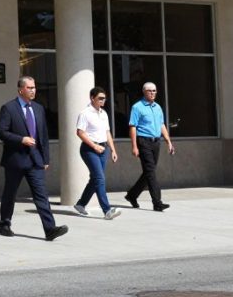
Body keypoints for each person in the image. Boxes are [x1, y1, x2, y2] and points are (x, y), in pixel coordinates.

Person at [0, 76, 68, 241]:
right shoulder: (9, 108)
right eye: (29, 88)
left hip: (35, 160)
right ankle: (4, 224)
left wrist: (46, 159)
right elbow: (1, 132)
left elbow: (43, 135)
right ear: (21, 89)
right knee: (10, 193)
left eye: (34, 87)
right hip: (15, 159)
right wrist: (21, 139)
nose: (33, 90)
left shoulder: (38, 108)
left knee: (41, 195)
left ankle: (50, 229)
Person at [125, 81, 175, 212]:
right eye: (150, 91)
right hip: (143, 141)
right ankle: (157, 202)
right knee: (151, 173)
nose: (152, 93)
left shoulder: (158, 107)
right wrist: (134, 146)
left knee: (149, 172)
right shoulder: (137, 107)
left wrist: (169, 142)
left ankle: (132, 195)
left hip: (156, 142)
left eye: (154, 91)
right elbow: (133, 127)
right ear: (144, 92)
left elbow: (162, 125)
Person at [73, 87, 122, 220]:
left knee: (95, 179)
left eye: (104, 98)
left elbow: (107, 132)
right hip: (89, 150)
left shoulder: (104, 113)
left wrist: (113, 150)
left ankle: (81, 204)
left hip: (103, 149)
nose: (103, 100)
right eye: (100, 98)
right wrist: (94, 146)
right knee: (100, 178)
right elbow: (80, 132)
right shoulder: (85, 113)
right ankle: (107, 210)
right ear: (92, 98)